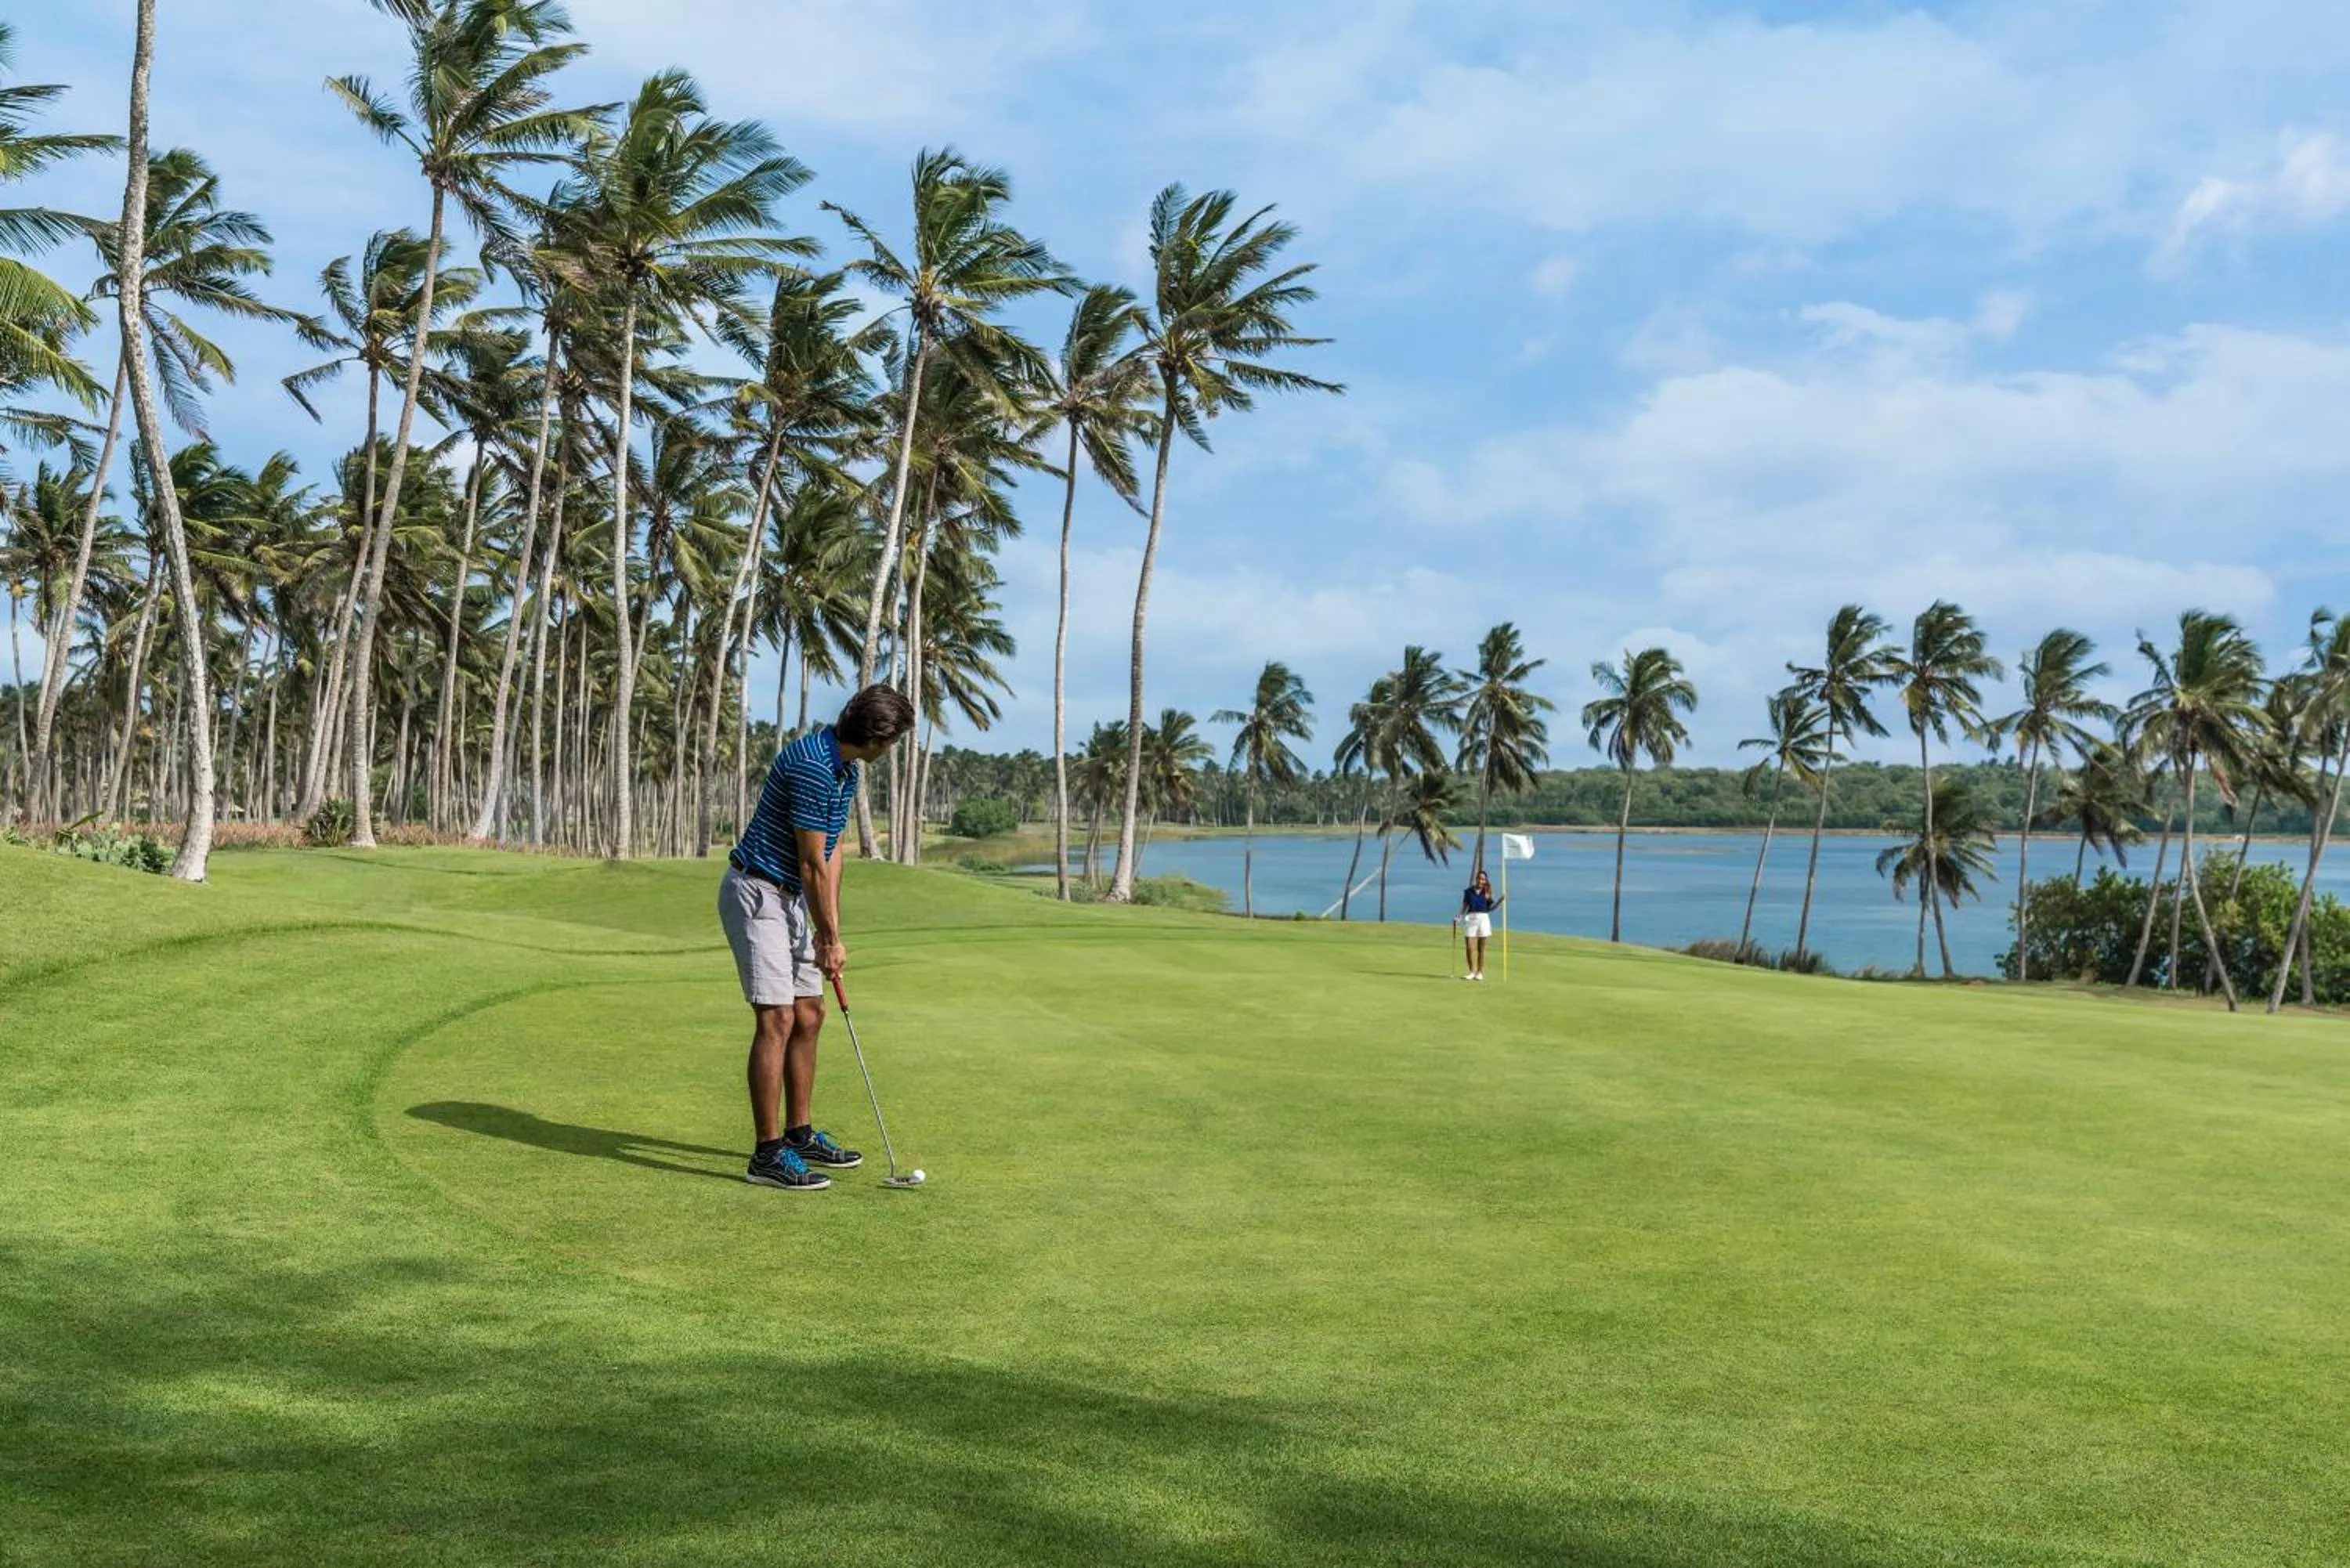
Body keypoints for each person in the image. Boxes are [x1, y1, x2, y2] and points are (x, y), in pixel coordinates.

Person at [719, 684, 917, 1191]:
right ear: (878, 736)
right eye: (893, 741)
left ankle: (799, 1133)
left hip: (793, 900)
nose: (891, 750)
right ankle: (766, 1154)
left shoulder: (844, 768)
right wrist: (827, 939)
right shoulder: (811, 764)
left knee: (811, 1011)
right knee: (778, 1016)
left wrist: (832, 930)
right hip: (758, 891)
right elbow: (809, 863)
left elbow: (830, 853)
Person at [1458, 867, 1502, 981]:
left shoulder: (1486, 893)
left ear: (1485, 881)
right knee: (1469, 947)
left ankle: (1479, 973)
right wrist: (1458, 917)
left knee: (1481, 949)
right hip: (1471, 919)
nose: (1481, 881)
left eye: (1483, 879)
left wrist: (1500, 902)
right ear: (1476, 879)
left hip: (1484, 919)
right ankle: (1471, 972)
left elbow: (1490, 908)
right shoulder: (1468, 892)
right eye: (1480, 879)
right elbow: (1464, 907)